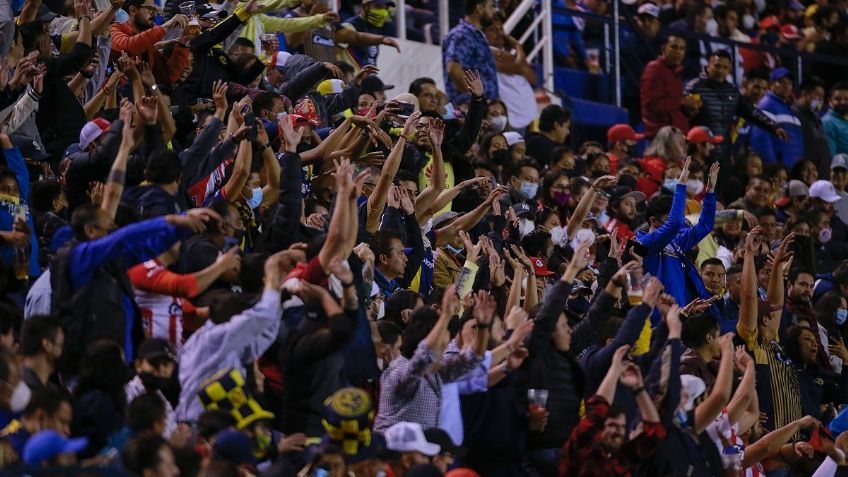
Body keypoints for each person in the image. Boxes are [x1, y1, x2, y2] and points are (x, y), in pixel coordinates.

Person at [559, 345, 665, 477]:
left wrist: (639, 388)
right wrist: (615, 369)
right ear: (598, 429)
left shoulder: (622, 457)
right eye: (612, 425)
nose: (619, 431)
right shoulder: (580, 451)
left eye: (621, 426)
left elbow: (655, 433)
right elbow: (598, 410)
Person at [110, 0, 191, 85]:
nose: (155, 14)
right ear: (133, 10)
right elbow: (127, 46)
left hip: (142, 96)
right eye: (150, 9)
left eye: (155, 10)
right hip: (114, 96)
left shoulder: (148, 41)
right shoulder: (115, 29)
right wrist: (165, 27)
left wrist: (184, 42)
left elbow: (168, 77)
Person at [640, 32, 696, 138]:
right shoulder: (654, 68)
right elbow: (651, 104)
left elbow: (673, 109)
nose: (678, 52)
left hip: (676, 136)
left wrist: (687, 111)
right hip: (661, 138)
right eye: (674, 47)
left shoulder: (676, 73)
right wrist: (682, 102)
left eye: (682, 49)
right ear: (663, 49)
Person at [442, 0, 498, 104]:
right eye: (491, 7)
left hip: (483, 110)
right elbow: (453, 69)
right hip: (471, 111)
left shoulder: (475, 35)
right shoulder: (463, 34)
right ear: (479, 8)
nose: (494, 11)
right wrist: (477, 101)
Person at [749, 67, 804, 168]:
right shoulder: (766, 105)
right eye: (782, 82)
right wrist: (772, 166)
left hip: (793, 169)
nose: (786, 86)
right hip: (779, 170)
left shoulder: (790, 109)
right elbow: (761, 140)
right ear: (771, 85)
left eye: (789, 83)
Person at [794, 77, 831, 178]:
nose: (820, 100)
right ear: (804, 94)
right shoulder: (794, 116)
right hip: (807, 177)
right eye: (818, 95)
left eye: (822, 97)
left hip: (822, 176)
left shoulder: (816, 119)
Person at [823, 82, 848, 157]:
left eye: (847, 99)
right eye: (838, 99)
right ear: (830, 101)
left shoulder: (844, 120)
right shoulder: (827, 122)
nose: (843, 102)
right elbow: (830, 155)